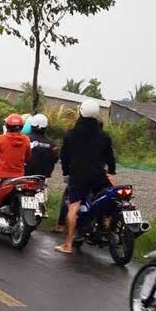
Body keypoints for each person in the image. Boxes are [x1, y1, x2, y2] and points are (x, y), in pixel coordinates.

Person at [55, 100, 115, 254]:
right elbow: (110, 157)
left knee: (73, 207)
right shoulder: (104, 136)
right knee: (107, 198)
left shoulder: (71, 134)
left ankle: (68, 244)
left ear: (80, 112)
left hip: (78, 176)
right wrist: (112, 171)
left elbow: (65, 155)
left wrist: (66, 172)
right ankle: (105, 227)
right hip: (98, 176)